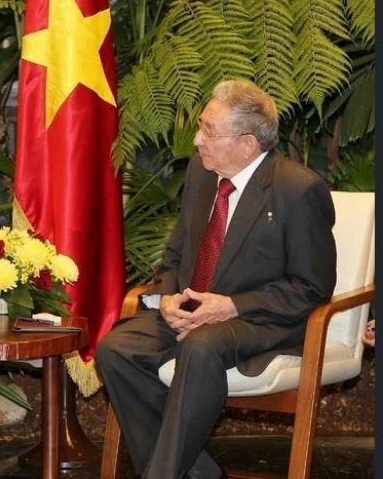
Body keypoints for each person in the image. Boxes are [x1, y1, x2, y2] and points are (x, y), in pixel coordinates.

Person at [96, 79, 337, 479]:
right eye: (200, 127)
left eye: (209, 131)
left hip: (260, 321)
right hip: (192, 311)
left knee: (202, 345)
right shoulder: (202, 173)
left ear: (248, 144)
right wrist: (166, 298)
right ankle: (201, 474)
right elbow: (176, 254)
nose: (196, 140)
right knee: (116, 349)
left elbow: (311, 289)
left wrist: (231, 306)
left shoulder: (298, 190)